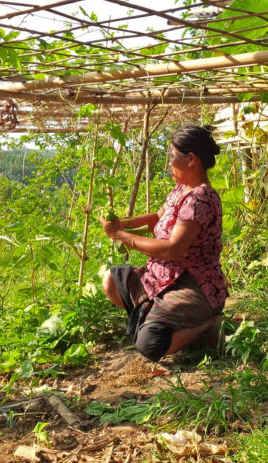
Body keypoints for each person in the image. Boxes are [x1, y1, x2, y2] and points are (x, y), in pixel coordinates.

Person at [99, 124, 228, 362]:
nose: (169, 163)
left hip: (193, 284)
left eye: (172, 157)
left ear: (191, 159)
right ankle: (166, 322)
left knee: (150, 344)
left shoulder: (201, 198)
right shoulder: (181, 189)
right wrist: (121, 223)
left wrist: (122, 236)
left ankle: (207, 326)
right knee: (111, 281)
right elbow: (158, 218)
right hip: (162, 276)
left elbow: (172, 249)